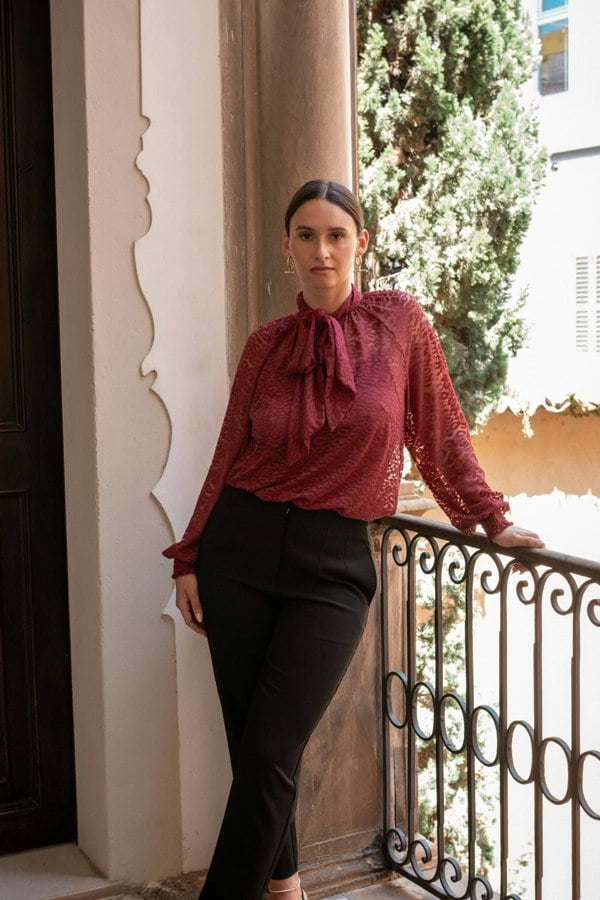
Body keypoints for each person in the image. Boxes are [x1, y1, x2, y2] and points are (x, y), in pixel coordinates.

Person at [163, 180, 544, 900]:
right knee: (255, 749)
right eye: (306, 235)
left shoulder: (399, 324)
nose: (322, 250)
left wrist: (490, 517)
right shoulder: (266, 346)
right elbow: (229, 450)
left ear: (361, 243)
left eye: (336, 235)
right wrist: (191, 552)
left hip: (333, 567)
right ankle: (285, 886)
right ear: (287, 247)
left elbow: (440, 430)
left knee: (271, 748)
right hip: (239, 552)